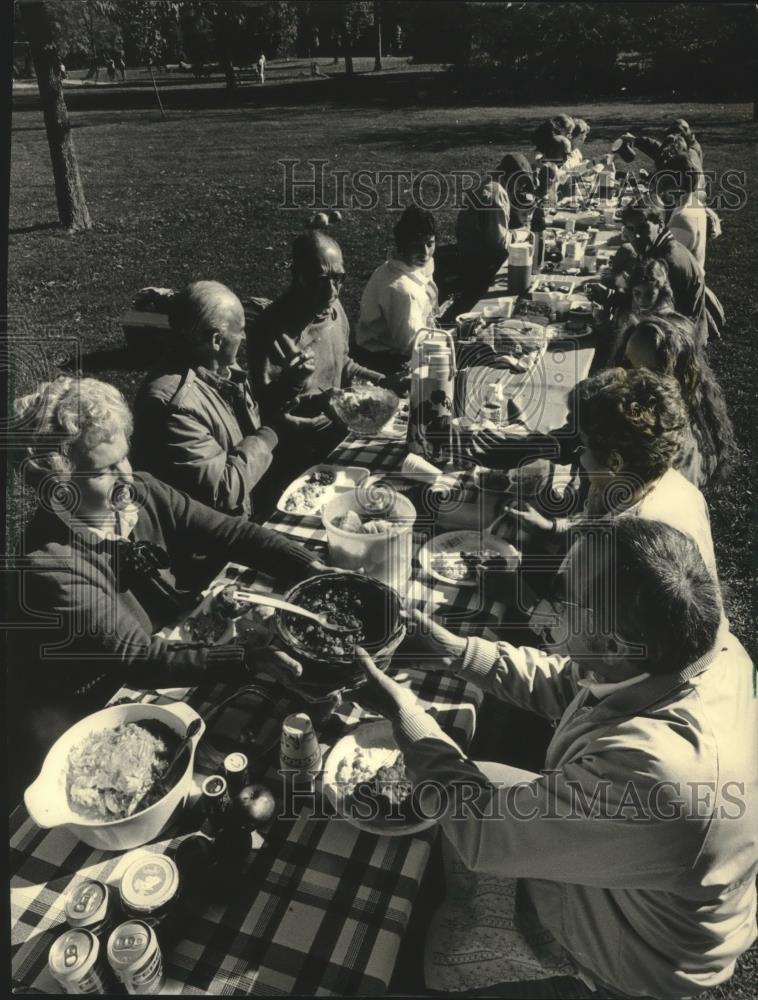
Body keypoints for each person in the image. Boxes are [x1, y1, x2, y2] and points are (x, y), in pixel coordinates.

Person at [351, 516, 757, 998]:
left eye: (560, 597)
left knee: (432, 953)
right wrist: (457, 652)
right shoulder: (701, 646)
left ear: (610, 641)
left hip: (640, 953)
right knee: (469, 778)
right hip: (645, 869)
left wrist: (403, 714)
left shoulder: (657, 771)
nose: (544, 609)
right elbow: (579, 681)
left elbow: (483, 832)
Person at [9, 377, 326, 795]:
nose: (126, 475)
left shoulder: (140, 491)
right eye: (105, 470)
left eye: (124, 457)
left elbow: (232, 534)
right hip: (101, 707)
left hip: (176, 664)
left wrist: (312, 566)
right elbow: (140, 659)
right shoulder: (51, 565)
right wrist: (248, 659)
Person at [132, 280, 278, 521]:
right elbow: (223, 490)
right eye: (240, 330)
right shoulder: (176, 407)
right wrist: (272, 432)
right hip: (208, 546)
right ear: (216, 341)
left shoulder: (219, 367)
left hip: (239, 521)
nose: (243, 337)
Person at [247, 229, 385, 474]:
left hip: (340, 431)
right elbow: (267, 406)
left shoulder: (332, 307)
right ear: (298, 276)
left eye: (339, 278)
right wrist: (318, 400)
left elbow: (342, 362)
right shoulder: (271, 329)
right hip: (297, 450)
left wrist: (384, 381)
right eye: (322, 280)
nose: (333, 290)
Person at [621, 315, 736, 487]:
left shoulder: (674, 443)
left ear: (679, 377)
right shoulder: (658, 407)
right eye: (627, 364)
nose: (628, 378)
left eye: (648, 373)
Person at [587, 200, 707, 347]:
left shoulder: (667, 262)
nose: (636, 236)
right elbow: (644, 299)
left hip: (678, 340)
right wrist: (609, 295)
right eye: (630, 229)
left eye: (643, 228)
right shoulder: (654, 248)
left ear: (660, 225)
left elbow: (658, 318)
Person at [355, 206, 438, 373]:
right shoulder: (403, 290)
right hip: (383, 361)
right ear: (403, 245)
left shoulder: (414, 264)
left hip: (405, 343)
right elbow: (411, 346)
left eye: (430, 244)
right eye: (416, 246)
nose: (425, 253)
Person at [455, 153, 535, 298]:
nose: (519, 189)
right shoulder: (497, 192)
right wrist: (523, 233)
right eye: (520, 183)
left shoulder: (491, 181)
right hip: (478, 263)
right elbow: (500, 242)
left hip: (471, 253)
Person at [650, 152, 708, 266]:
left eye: (665, 182)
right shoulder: (694, 203)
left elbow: (662, 265)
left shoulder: (681, 219)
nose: (661, 190)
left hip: (680, 281)